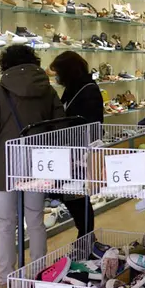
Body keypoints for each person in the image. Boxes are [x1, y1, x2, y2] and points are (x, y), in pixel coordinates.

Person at [0, 44, 65, 288]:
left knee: (6, 224)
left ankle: (7, 283)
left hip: (4, 165)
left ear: (5, 64)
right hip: (38, 164)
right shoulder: (47, 90)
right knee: (35, 221)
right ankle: (39, 278)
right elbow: (60, 126)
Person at [49, 51, 104, 238]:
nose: (56, 77)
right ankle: (86, 238)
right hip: (73, 152)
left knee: (77, 197)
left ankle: (87, 238)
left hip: (79, 153)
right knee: (75, 197)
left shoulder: (86, 90)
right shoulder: (77, 87)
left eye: (58, 72)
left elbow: (89, 123)